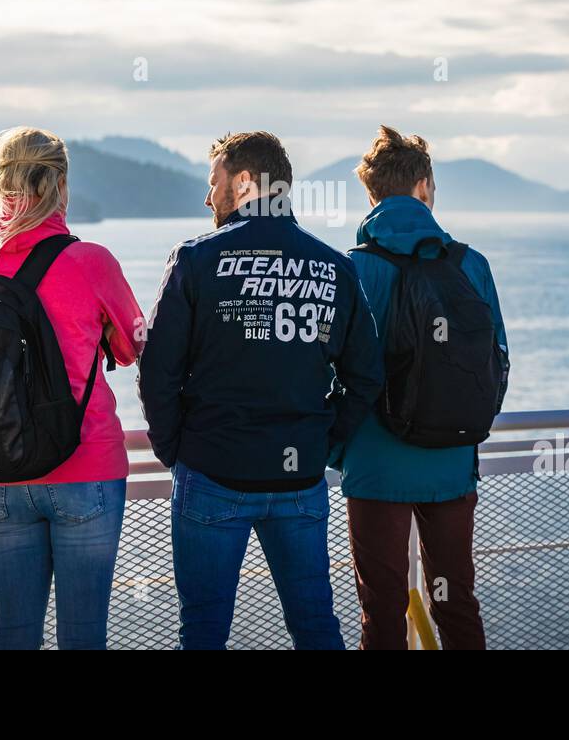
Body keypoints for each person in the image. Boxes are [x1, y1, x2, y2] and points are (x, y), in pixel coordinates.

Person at [138, 130, 384, 650]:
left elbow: (157, 369)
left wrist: (175, 450)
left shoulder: (196, 260)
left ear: (245, 181)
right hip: (299, 478)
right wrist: (325, 443)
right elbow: (366, 376)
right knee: (315, 625)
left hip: (211, 470)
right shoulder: (333, 268)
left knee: (202, 631)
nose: (208, 197)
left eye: (215, 182)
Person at [0, 126, 144, 649]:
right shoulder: (91, 262)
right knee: (82, 637)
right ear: (60, 184)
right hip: (85, 467)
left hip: (1, 472)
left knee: (14, 634)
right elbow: (131, 345)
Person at [331, 125, 509, 650]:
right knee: (456, 602)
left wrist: (343, 449)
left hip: (374, 465)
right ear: (425, 186)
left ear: (371, 194)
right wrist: (466, 428)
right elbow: (498, 362)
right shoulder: (470, 265)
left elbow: (329, 370)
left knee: (381, 608)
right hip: (451, 464)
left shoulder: (350, 269)